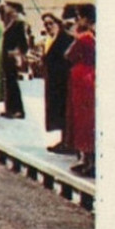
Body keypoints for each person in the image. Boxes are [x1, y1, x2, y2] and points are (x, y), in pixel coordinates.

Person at [64, 5, 96, 177]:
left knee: (82, 119)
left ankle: (87, 159)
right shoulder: (91, 36)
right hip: (87, 77)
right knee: (85, 119)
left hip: (82, 79)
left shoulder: (84, 37)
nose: (78, 20)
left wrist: (74, 35)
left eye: (80, 16)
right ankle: (87, 159)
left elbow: (68, 54)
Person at [41, 13, 74, 154]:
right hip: (54, 80)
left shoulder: (66, 38)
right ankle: (63, 139)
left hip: (62, 80)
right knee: (58, 111)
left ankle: (67, 141)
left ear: (57, 23)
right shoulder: (51, 39)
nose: (48, 27)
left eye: (50, 23)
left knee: (63, 110)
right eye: (46, 24)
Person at [1, 1, 29, 119]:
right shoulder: (9, 21)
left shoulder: (19, 23)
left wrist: (17, 53)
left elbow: (23, 43)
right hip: (6, 55)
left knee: (12, 82)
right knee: (8, 82)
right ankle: (10, 108)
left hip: (11, 56)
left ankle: (18, 109)